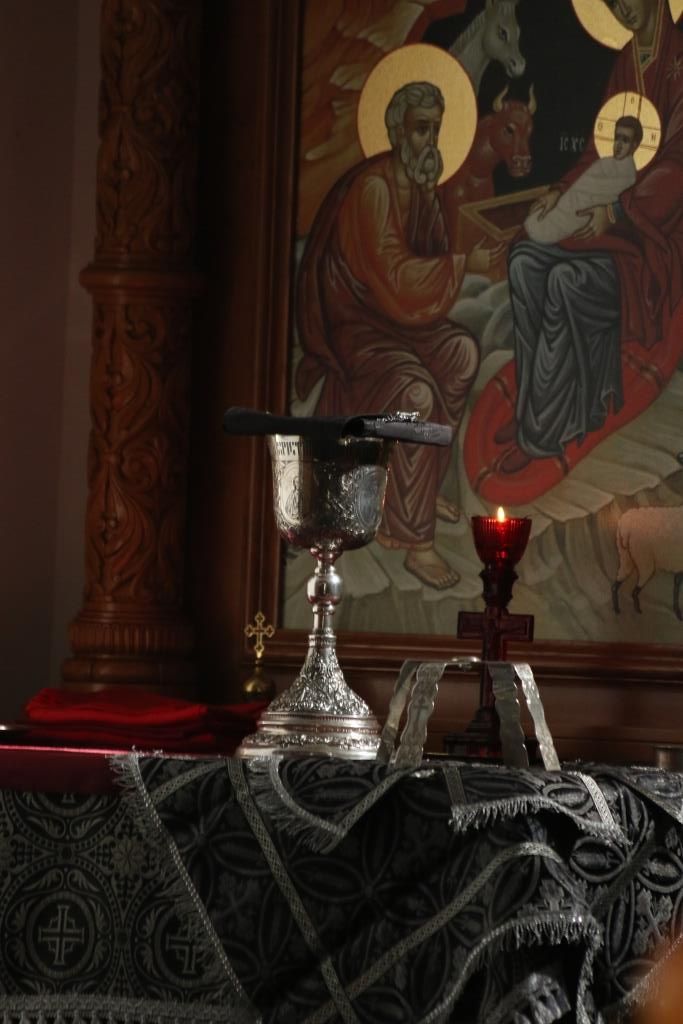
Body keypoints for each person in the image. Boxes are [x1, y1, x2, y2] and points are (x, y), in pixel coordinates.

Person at [296, 81, 504, 589]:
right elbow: (394, 278)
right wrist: (466, 265)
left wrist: (456, 250)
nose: (429, 140)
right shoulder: (373, 190)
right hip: (357, 327)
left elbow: (423, 274)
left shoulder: (419, 186)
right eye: (420, 129)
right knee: (416, 394)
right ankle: (415, 542)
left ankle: (420, 491)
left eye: (435, 129)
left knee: (460, 352)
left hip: (401, 322)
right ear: (395, 131)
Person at [496, 0, 683, 475]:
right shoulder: (626, 64)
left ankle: (543, 433)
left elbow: (678, 167)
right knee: (523, 260)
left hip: (649, 239)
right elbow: (600, 149)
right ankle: (531, 409)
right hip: (609, 218)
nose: (621, 8)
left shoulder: (679, 63)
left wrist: (618, 210)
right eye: (611, 1)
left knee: (567, 280)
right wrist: (561, 190)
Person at [524, 116, 642, 245]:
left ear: (634, 146)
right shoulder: (603, 163)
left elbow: (600, 197)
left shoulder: (629, 177)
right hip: (568, 204)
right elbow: (581, 185)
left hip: (579, 216)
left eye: (625, 140)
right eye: (617, 138)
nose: (618, 144)